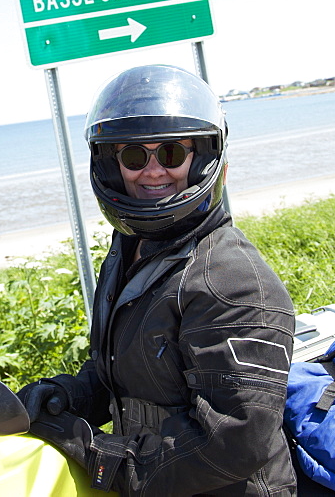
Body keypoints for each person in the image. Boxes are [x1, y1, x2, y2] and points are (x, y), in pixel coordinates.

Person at [17, 64, 298, 496]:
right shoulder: (133, 249)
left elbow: (237, 441)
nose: (151, 172)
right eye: (133, 156)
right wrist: (70, 395)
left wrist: (99, 456)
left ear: (202, 159)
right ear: (113, 166)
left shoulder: (231, 282)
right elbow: (130, 369)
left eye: (170, 153)